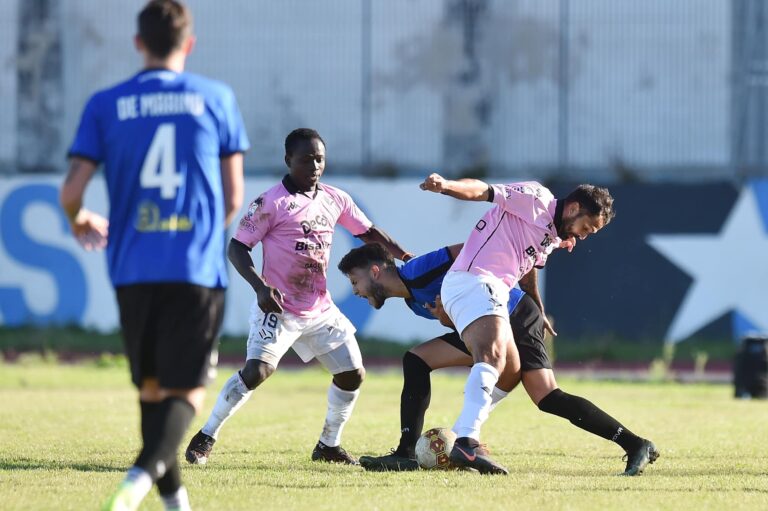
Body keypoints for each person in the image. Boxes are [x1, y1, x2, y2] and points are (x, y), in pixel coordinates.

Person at [59, 1, 249, 509]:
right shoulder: (216, 98)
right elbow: (233, 196)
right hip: (193, 268)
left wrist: (79, 219)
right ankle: (136, 482)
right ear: (189, 44)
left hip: (132, 268)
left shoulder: (106, 103)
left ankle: (174, 503)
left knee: (151, 390)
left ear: (138, 43)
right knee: (186, 394)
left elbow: (72, 189)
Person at [184, 128, 412, 466]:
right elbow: (236, 247)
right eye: (306, 159)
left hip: (319, 308)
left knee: (352, 374)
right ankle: (206, 435)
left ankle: (328, 446)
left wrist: (407, 258)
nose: (315, 165)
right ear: (288, 160)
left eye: (320, 158)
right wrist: (260, 286)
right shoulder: (270, 202)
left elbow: (370, 234)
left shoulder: (336, 199)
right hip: (278, 306)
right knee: (257, 372)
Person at [337, 243, 659, 476]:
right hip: (487, 327)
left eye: (355, 281)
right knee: (416, 360)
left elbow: (479, 252)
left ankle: (635, 444)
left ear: (375, 271)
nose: (355, 291)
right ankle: (407, 452)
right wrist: (448, 320)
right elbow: (464, 320)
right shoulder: (412, 301)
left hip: (515, 313)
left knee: (547, 396)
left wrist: (533, 299)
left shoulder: (420, 269)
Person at [415, 175, 618, 474]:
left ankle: (460, 435)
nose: (585, 236)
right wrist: (447, 186)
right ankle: (467, 442)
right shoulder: (535, 198)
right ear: (574, 207)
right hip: (474, 279)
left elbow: (528, 270)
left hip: (493, 288)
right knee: (493, 355)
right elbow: (483, 191)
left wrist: (538, 307)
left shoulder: (552, 234)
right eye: (587, 227)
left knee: (510, 371)